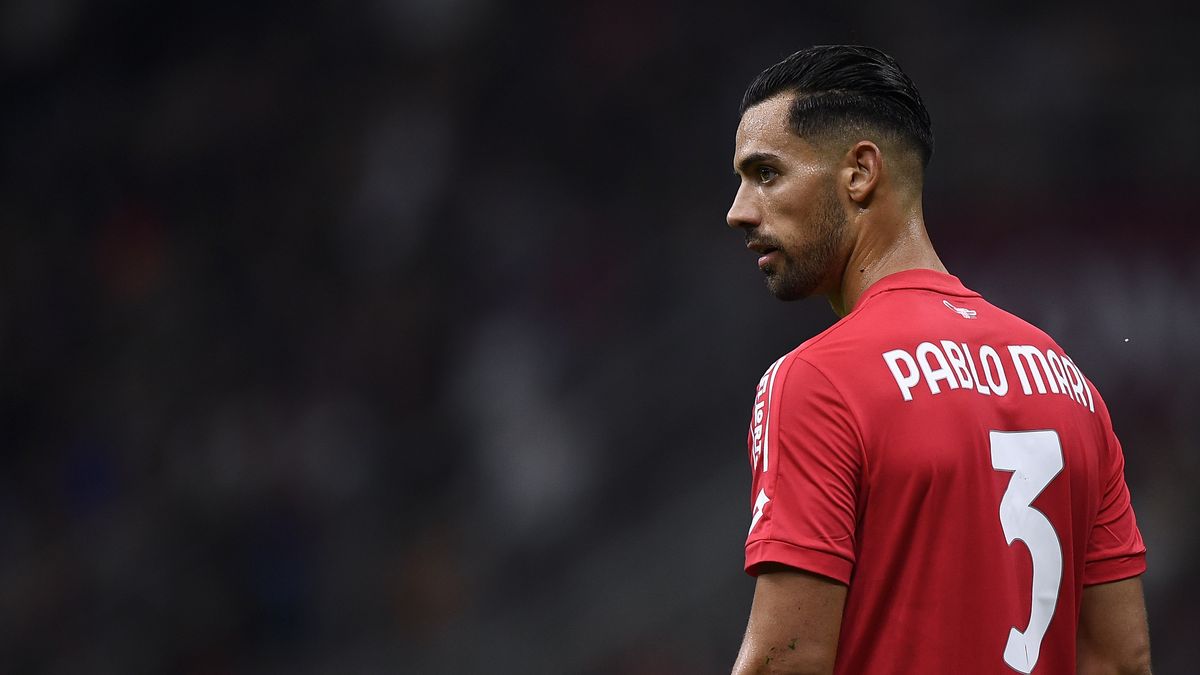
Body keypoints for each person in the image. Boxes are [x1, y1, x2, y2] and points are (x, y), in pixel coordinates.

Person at [726, 45, 1151, 675]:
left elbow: (785, 662)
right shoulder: (1071, 384)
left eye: (766, 173)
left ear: (859, 172)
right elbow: (1121, 661)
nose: (739, 211)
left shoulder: (818, 382)